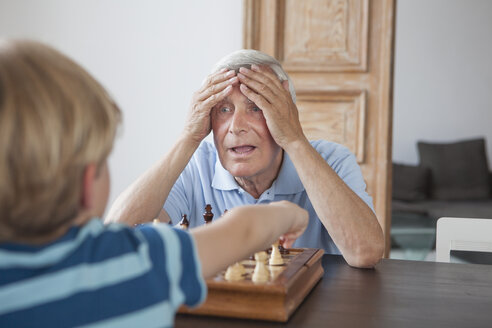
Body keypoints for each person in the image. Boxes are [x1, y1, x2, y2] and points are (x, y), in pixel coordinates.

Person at [0, 40, 309, 327]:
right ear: (86, 184)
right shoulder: (132, 263)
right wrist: (289, 214)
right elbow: (246, 229)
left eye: (255, 107)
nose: (237, 125)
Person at [107, 49, 385, 268]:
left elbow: (366, 253)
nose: (236, 126)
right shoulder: (195, 164)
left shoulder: (333, 160)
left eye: (256, 107)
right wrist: (188, 138)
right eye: (224, 109)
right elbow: (113, 238)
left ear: (286, 112)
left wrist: (294, 139)